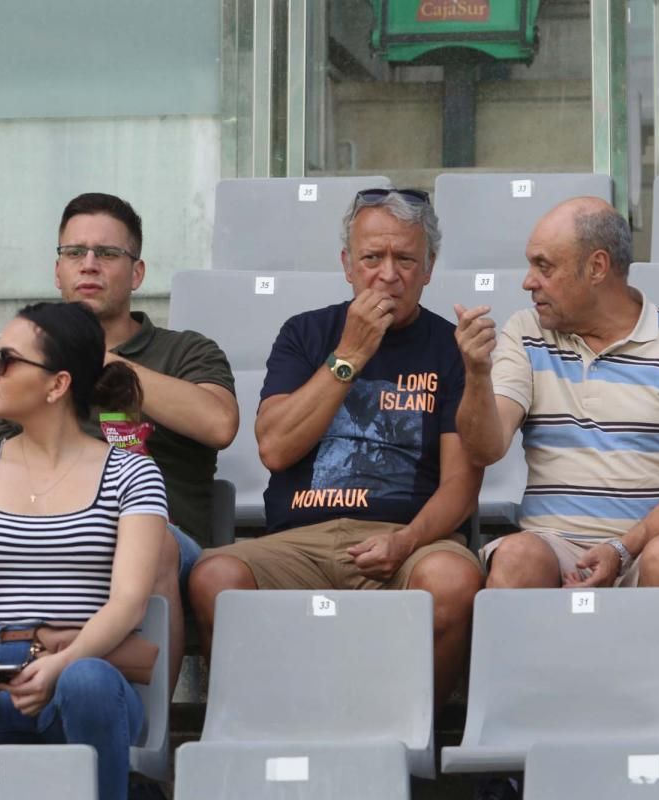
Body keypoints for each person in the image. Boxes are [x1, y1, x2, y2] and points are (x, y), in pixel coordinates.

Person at [0, 193, 238, 698]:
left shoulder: (187, 351)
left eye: (108, 254)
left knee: (158, 547)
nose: (89, 264)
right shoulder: (21, 366)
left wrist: (102, 359)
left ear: (137, 273)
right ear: (57, 270)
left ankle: (144, 747)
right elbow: (1, 467)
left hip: (161, 533)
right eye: (74, 252)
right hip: (49, 522)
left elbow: (219, 424)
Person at [188, 188, 483, 705]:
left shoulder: (448, 349)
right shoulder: (306, 333)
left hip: (404, 536)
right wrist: (349, 354)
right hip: (299, 540)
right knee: (215, 577)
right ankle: (258, 728)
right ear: (348, 264)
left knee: (454, 579)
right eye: (372, 257)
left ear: (430, 268)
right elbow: (275, 449)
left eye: (405, 259)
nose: (388, 274)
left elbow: (462, 485)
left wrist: (406, 542)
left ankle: (412, 733)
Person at [454, 196, 659, 737]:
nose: (528, 283)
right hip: (555, 540)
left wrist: (624, 546)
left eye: (544, 266)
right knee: (516, 557)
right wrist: (475, 374)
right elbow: (486, 448)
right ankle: (507, 759)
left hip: (653, 540)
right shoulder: (523, 333)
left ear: (597, 267)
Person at [0, 302, 167, 800]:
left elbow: (129, 602)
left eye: (6, 359)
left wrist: (61, 664)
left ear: (57, 385)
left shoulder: (131, 475)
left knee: (87, 684)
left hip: (88, 665)